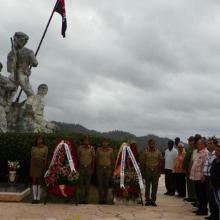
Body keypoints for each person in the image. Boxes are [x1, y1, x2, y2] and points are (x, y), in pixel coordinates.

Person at [7, 32, 38, 99]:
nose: (24, 42)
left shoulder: (28, 52)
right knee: (9, 93)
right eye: (23, 40)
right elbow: (9, 69)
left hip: (21, 74)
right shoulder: (11, 53)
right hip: (15, 75)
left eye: (25, 41)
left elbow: (35, 63)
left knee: (30, 94)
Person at [141, 139, 163, 206]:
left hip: (156, 170)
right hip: (148, 169)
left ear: (155, 144)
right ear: (148, 144)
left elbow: (161, 162)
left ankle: (153, 200)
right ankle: (147, 200)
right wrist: (143, 172)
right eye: (151, 144)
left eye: (153, 144)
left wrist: (159, 172)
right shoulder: (145, 152)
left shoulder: (158, 152)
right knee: (147, 186)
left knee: (155, 186)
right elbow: (143, 162)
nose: (152, 145)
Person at [190, 137, 208, 216]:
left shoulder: (205, 153)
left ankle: (203, 210)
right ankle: (200, 208)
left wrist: (204, 175)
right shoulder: (198, 152)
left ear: (203, 145)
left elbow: (205, 166)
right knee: (198, 194)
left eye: (199, 144)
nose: (197, 145)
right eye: (197, 144)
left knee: (202, 194)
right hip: (195, 177)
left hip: (201, 177)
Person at [203, 137, 219, 220]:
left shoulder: (215, 154)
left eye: (210, 143)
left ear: (215, 145)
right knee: (209, 197)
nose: (208, 145)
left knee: (214, 198)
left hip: (212, 178)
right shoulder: (208, 154)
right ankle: (212, 214)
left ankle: (216, 216)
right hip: (206, 178)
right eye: (208, 143)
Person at [30, 136, 48, 204]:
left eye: (40, 139)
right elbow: (31, 157)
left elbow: (46, 158)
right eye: (38, 139)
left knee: (40, 181)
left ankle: (38, 197)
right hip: (34, 165)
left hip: (41, 165)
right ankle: (34, 198)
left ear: (43, 140)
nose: (39, 140)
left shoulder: (45, 148)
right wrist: (31, 166)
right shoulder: (33, 148)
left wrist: (45, 167)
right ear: (36, 140)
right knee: (34, 180)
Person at [77, 135, 95, 204]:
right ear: (83, 141)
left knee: (87, 184)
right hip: (81, 167)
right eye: (85, 140)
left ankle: (86, 199)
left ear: (89, 141)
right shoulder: (79, 148)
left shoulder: (92, 148)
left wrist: (92, 168)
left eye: (87, 140)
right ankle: (81, 199)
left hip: (89, 167)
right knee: (81, 184)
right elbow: (78, 158)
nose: (86, 141)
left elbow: (93, 159)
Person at [96, 139, 114, 204]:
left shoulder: (111, 150)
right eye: (103, 142)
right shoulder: (98, 150)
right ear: (102, 143)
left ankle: (105, 199)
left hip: (108, 169)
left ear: (108, 143)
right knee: (100, 184)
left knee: (106, 184)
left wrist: (112, 169)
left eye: (106, 142)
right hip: (100, 168)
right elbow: (96, 159)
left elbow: (112, 160)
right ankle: (100, 199)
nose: (105, 143)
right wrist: (96, 169)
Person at [182, 136, 197, 202]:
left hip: (191, 169)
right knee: (188, 183)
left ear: (193, 142)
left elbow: (192, 160)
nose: (189, 142)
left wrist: (190, 168)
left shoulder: (194, 149)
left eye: (190, 141)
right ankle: (190, 196)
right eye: (189, 141)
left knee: (192, 184)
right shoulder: (189, 148)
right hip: (187, 169)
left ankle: (193, 197)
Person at [210, 144, 220, 220]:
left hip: (219, 187)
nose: (216, 152)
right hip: (214, 186)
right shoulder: (215, 160)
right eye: (216, 150)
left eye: (218, 150)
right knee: (217, 204)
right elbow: (211, 171)